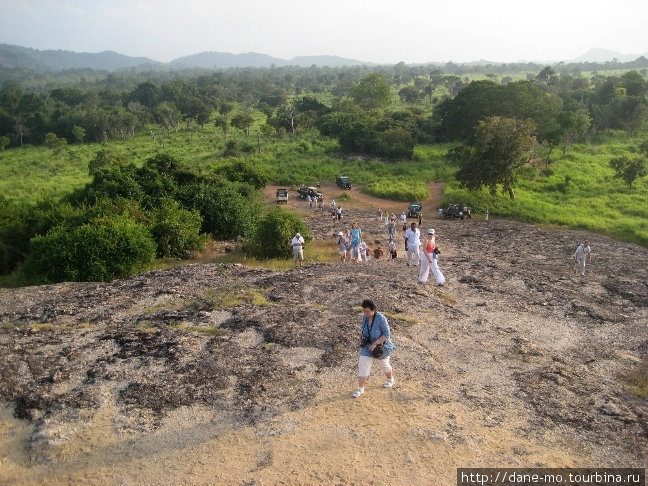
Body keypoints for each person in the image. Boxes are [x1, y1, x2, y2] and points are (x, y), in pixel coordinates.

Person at [352, 299, 395, 398]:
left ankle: (390, 379)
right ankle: (360, 388)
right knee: (363, 364)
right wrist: (362, 338)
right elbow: (364, 330)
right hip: (367, 346)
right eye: (364, 311)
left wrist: (375, 343)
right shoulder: (365, 318)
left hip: (381, 346)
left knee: (384, 365)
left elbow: (387, 334)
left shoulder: (381, 318)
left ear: (373, 310)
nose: (365, 313)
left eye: (367, 311)